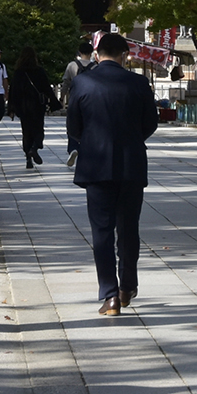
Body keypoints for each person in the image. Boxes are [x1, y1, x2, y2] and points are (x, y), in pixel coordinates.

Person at [66, 31, 159, 315]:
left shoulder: (82, 83)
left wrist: (91, 142)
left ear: (97, 54)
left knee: (102, 231)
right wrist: (131, 139)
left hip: (96, 164)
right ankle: (127, 285)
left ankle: (109, 296)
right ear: (124, 55)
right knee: (128, 228)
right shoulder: (139, 83)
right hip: (130, 163)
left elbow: (74, 127)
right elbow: (150, 124)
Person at [8, 47, 54, 169]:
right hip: (37, 106)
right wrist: (54, 102)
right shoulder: (39, 71)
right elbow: (46, 88)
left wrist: (11, 108)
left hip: (23, 107)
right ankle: (34, 148)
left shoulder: (18, 72)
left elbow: (13, 91)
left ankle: (28, 158)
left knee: (26, 132)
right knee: (39, 130)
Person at [60, 40, 94, 111]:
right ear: (91, 53)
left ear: (79, 52)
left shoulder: (72, 65)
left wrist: (62, 98)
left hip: (75, 97)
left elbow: (66, 83)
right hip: (90, 99)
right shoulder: (96, 67)